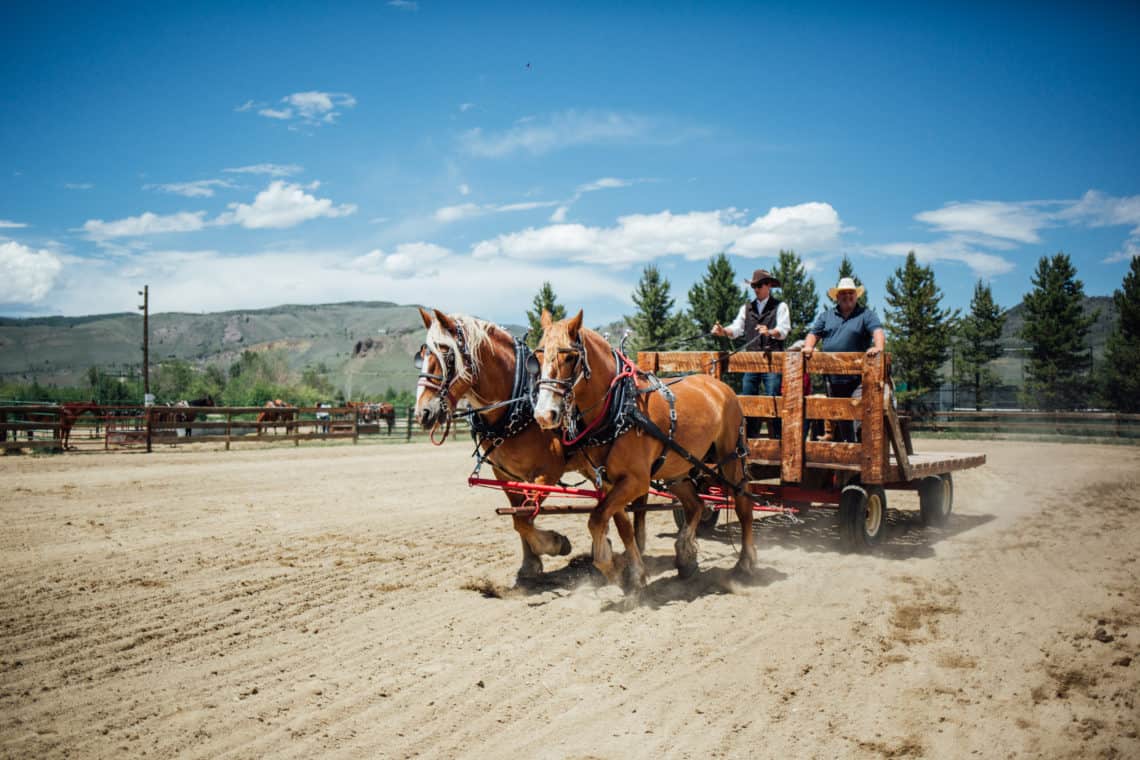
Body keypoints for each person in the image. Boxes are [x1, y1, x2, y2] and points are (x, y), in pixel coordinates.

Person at [801, 276, 885, 442]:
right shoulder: (826, 316)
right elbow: (813, 334)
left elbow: (877, 331)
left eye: (851, 293)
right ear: (837, 296)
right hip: (833, 379)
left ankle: (862, 452)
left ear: (856, 295)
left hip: (858, 378)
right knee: (841, 417)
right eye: (843, 293)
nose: (847, 296)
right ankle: (850, 452)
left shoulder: (866, 315)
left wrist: (879, 348)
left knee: (860, 412)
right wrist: (809, 346)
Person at [711, 268, 791, 438]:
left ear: (768, 285)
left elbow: (784, 330)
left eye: (760, 285)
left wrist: (770, 332)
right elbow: (737, 329)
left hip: (773, 360)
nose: (756, 288)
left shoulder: (780, 306)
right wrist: (723, 331)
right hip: (751, 360)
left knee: (774, 398)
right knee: (747, 397)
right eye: (754, 285)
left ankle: (778, 440)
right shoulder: (746, 308)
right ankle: (749, 439)